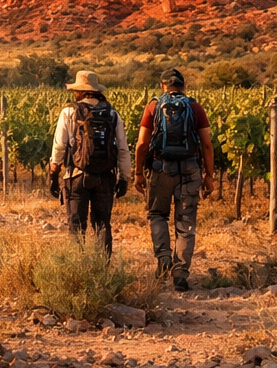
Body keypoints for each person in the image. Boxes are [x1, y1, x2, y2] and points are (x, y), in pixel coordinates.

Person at [134, 68, 214, 291]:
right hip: (190, 170)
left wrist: (138, 172)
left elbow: (141, 144)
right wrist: (209, 175)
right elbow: (207, 144)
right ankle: (180, 274)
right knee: (186, 221)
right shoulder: (195, 107)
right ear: (183, 86)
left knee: (157, 214)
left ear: (163, 86)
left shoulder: (153, 106)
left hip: (161, 169)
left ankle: (163, 259)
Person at [48, 70, 132, 254]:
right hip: (105, 177)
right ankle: (103, 270)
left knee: (76, 226)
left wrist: (54, 174)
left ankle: (79, 268)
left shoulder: (69, 112)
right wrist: (124, 178)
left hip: (76, 176)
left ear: (79, 92)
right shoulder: (112, 114)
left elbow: (59, 147)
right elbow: (123, 150)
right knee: (102, 225)